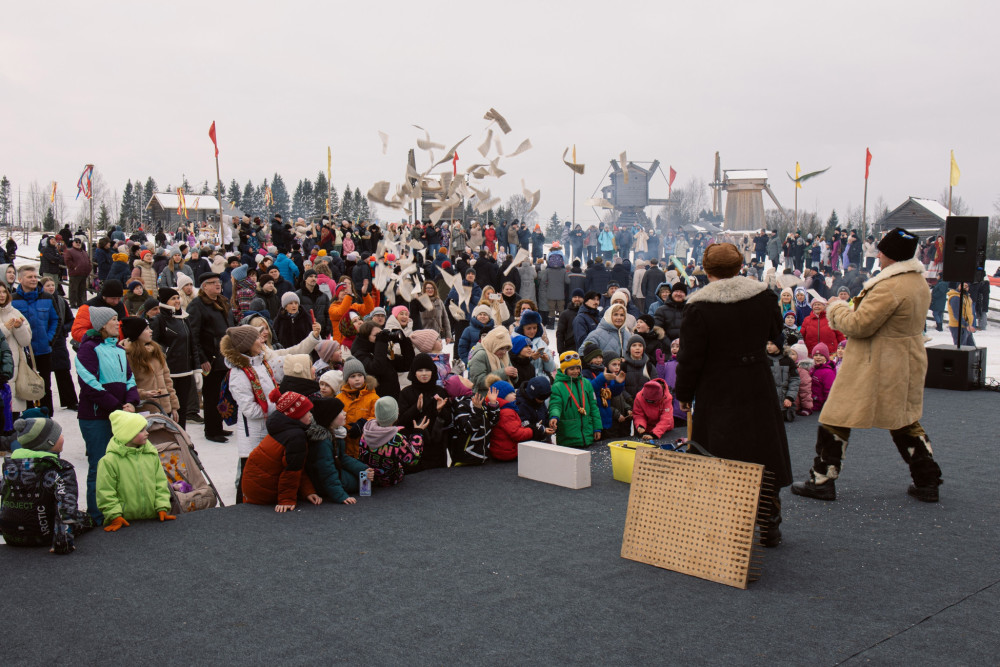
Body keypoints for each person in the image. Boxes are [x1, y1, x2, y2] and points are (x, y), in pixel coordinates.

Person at [791, 228, 944, 503]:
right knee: (904, 421)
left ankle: (822, 479)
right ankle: (927, 480)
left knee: (835, 416)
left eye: (882, 251)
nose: (879, 255)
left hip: (874, 364)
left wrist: (837, 307)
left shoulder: (889, 286)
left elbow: (858, 325)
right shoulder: (917, 282)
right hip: (904, 360)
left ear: (891, 255)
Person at [674, 242, 791, 547]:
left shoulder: (698, 307)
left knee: (721, 454)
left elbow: (690, 357)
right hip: (757, 383)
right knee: (763, 452)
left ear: (707, 269)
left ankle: (727, 527)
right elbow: (775, 332)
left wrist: (684, 392)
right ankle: (769, 521)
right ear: (740, 266)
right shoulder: (764, 296)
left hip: (717, 388)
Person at [0, 416, 94, 554]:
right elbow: (66, 506)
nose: (62, 437)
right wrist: (62, 542)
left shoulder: (10, 466)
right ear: (48, 442)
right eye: (58, 435)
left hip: (12, 534)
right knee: (87, 519)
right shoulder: (60, 469)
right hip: (45, 535)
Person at [241, 390, 324, 512]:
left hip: (253, 487)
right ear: (296, 415)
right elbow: (291, 471)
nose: (310, 415)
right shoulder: (295, 437)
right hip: (263, 493)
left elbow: (297, 465)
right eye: (307, 412)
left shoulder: (283, 428)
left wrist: (308, 491)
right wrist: (286, 500)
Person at [95, 410, 175, 532]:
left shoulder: (151, 455)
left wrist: (162, 506)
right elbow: (105, 492)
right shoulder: (109, 461)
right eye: (141, 430)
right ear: (128, 434)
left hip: (152, 520)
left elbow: (160, 483)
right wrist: (114, 515)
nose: (147, 433)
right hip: (124, 523)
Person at [186, 272, 235, 443]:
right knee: (211, 396)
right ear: (204, 286)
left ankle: (218, 426)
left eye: (218, 281)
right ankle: (211, 430)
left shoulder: (221, 301)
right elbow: (193, 335)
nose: (217, 284)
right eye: (212, 282)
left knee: (221, 394)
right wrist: (202, 359)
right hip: (210, 358)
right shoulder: (197, 305)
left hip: (224, 357)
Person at [305, 397, 372, 505]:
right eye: (341, 412)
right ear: (331, 417)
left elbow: (342, 457)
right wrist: (340, 496)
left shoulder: (335, 433)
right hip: (321, 481)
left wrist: (363, 468)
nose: (345, 413)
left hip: (334, 471)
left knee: (365, 476)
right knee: (360, 482)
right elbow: (327, 472)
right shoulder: (323, 443)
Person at [12, 266, 59, 416]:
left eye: (35, 277)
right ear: (20, 279)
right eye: (29, 277)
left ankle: (47, 418)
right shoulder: (13, 300)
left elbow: (56, 320)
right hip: (23, 353)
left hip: (44, 350)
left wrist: (49, 340)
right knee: (25, 386)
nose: (33, 279)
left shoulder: (47, 297)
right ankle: (28, 418)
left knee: (44, 386)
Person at [149, 288, 197, 429]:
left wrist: (197, 368)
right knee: (168, 410)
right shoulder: (158, 320)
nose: (177, 301)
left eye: (177, 298)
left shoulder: (184, 318)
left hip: (185, 371)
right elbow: (152, 345)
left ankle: (181, 436)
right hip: (168, 372)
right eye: (173, 298)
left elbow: (192, 344)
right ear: (165, 301)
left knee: (182, 409)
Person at [359, 396, 426, 487]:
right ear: (395, 415)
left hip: (368, 478)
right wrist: (418, 433)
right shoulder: (397, 439)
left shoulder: (366, 430)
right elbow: (413, 460)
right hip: (390, 481)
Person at [121, 316, 179, 421]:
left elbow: (167, 381)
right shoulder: (127, 356)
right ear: (137, 333)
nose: (151, 331)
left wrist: (174, 406)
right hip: (143, 410)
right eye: (146, 329)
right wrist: (142, 394)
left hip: (164, 409)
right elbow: (125, 385)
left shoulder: (156, 351)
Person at [548, 351, 602, 448]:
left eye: (578, 368)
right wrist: (554, 416)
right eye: (571, 369)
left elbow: (594, 407)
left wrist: (597, 427)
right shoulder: (558, 386)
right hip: (568, 438)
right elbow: (555, 404)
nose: (575, 371)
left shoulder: (586, 383)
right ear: (564, 370)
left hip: (587, 436)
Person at [0, 281, 33, 417]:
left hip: (15, 368)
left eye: (4, 292)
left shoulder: (15, 312)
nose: (2, 295)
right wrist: (5, 329)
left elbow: (26, 341)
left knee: (13, 413)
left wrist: (19, 328)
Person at [945, 282, 976, 346]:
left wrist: (970, 324)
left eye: (966, 286)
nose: (965, 287)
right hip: (958, 326)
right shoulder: (955, 298)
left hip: (966, 326)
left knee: (971, 347)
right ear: (958, 286)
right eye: (962, 285)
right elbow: (957, 314)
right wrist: (966, 324)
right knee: (961, 347)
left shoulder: (967, 297)